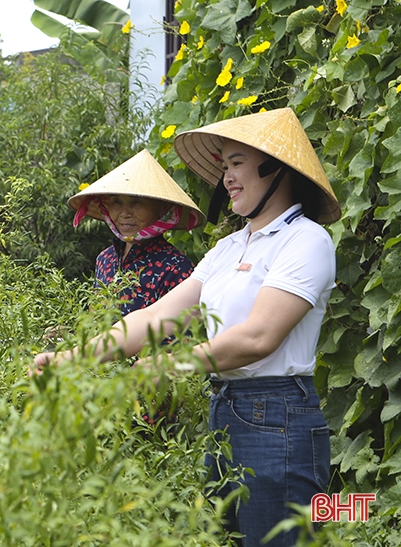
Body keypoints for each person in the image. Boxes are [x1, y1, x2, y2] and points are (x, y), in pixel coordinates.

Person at [34, 108, 340, 547]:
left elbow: (258, 338)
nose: (227, 177)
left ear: (277, 168)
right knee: (223, 539)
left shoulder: (306, 240)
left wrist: (169, 366)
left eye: (237, 163)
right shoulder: (228, 247)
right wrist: (71, 357)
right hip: (226, 408)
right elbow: (154, 317)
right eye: (225, 166)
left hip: (277, 418)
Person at [68, 148, 204, 315]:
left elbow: (180, 334)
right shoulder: (105, 259)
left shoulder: (177, 267)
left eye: (136, 203)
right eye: (117, 202)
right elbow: (95, 321)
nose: (125, 213)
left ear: (163, 208)